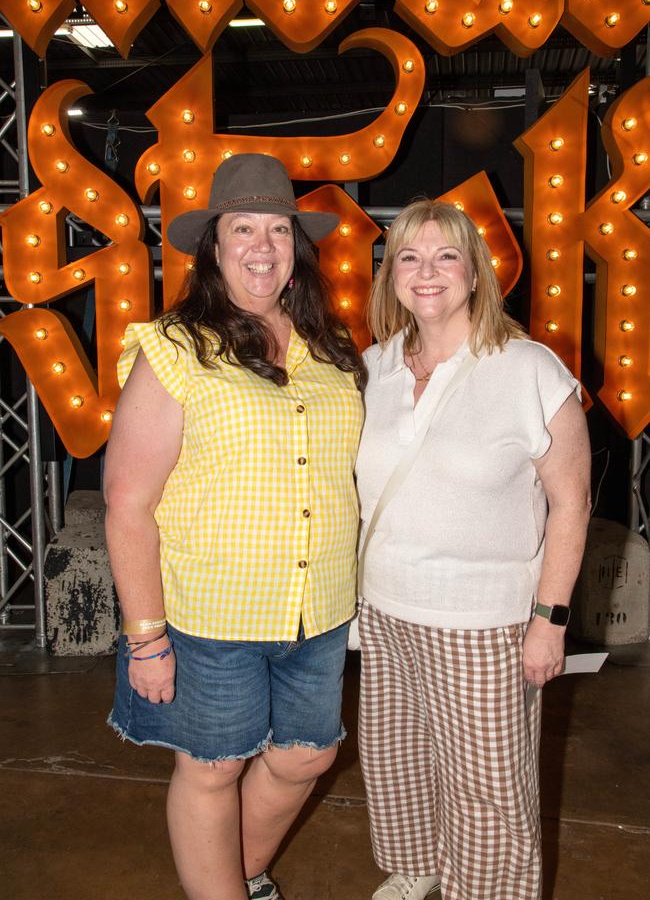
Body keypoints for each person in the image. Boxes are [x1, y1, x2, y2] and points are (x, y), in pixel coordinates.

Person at [105, 153, 366, 900]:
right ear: (213, 248)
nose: (262, 245)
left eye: (278, 229)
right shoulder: (177, 347)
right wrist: (146, 636)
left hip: (316, 612)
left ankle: (238, 875)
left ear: (296, 248)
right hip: (208, 614)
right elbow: (127, 501)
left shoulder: (331, 349)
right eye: (242, 228)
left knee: (308, 757)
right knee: (212, 767)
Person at [355, 200, 591, 900]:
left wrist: (550, 619)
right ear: (389, 273)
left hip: (484, 621)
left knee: (488, 786)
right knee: (396, 758)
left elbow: (571, 503)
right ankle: (420, 865)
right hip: (384, 610)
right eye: (409, 256)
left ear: (476, 272)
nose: (427, 272)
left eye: (446, 256)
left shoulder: (528, 368)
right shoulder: (374, 366)